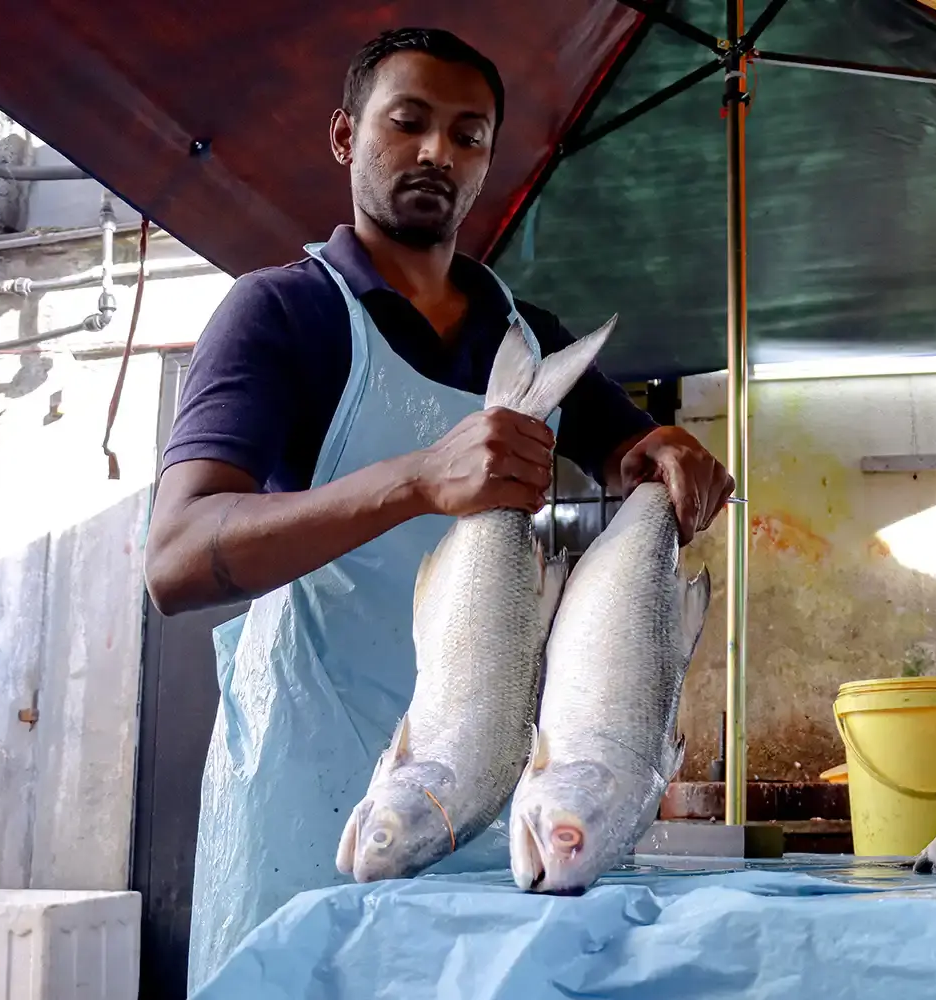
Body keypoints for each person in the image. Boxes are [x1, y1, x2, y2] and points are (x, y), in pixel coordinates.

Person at [144, 27, 733, 987]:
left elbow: (639, 465)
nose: (436, 154)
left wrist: (669, 457)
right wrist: (418, 479)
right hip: (317, 800)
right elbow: (175, 559)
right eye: (407, 122)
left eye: (468, 136)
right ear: (346, 136)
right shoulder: (278, 313)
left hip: (498, 795)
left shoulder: (525, 339)